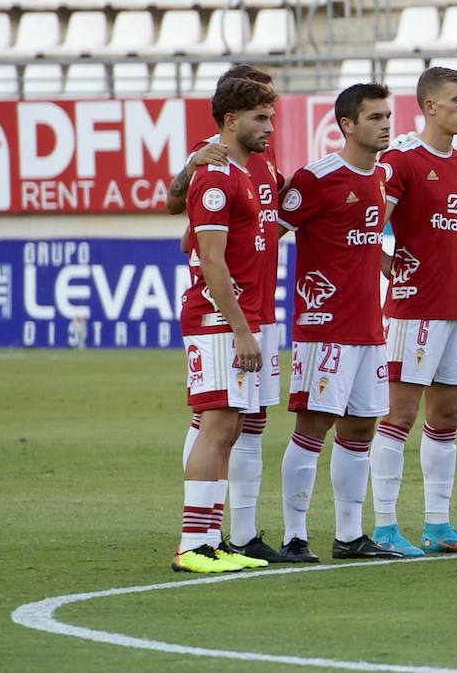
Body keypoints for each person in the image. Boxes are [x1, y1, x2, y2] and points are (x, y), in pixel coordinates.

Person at [369, 67, 457, 557]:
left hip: (454, 309)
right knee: (399, 414)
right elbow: (369, 225)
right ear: (429, 106)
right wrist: (389, 267)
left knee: (447, 416)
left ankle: (438, 525)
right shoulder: (402, 159)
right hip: (413, 311)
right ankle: (384, 526)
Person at [276, 83, 402, 562]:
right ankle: (294, 536)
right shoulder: (317, 178)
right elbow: (269, 236)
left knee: (361, 430)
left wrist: (383, 260)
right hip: (324, 326)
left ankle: (349, 535)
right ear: (347, 125)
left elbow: (358, 240)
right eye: (374, 118)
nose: (385, 125)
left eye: (387, 116)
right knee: (312, 428)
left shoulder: (380, 176)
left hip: (368, 327)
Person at [172, 65, 292, 563]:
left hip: (248, 316)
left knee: (230, 428)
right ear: (230, 120)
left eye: (271, 117)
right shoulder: (214, 175)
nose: (270, 127)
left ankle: (212, 539)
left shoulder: (247, 171)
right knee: (216, 426)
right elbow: (211, 259)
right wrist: (242, 330)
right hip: (220, 320)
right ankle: (194, 544)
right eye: (261, 118)